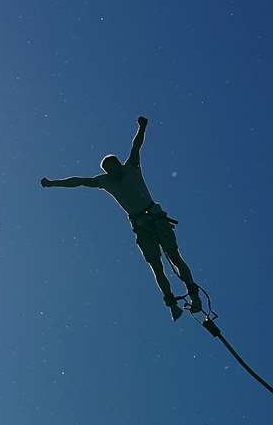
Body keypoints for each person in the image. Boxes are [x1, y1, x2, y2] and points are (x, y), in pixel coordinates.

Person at [40, 116, 202, 321]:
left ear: (118, 163)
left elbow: (137, 145)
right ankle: (171, 304)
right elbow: (78, 181)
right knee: (156, 266)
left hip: (155, 218)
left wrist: (142, 127)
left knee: (175, 257)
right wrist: (53, 183)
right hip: (141, 226)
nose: (111, 171)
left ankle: (195, 296)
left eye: (112, 166)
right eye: (107, 169)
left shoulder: (131, 167)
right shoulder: (105, 181)